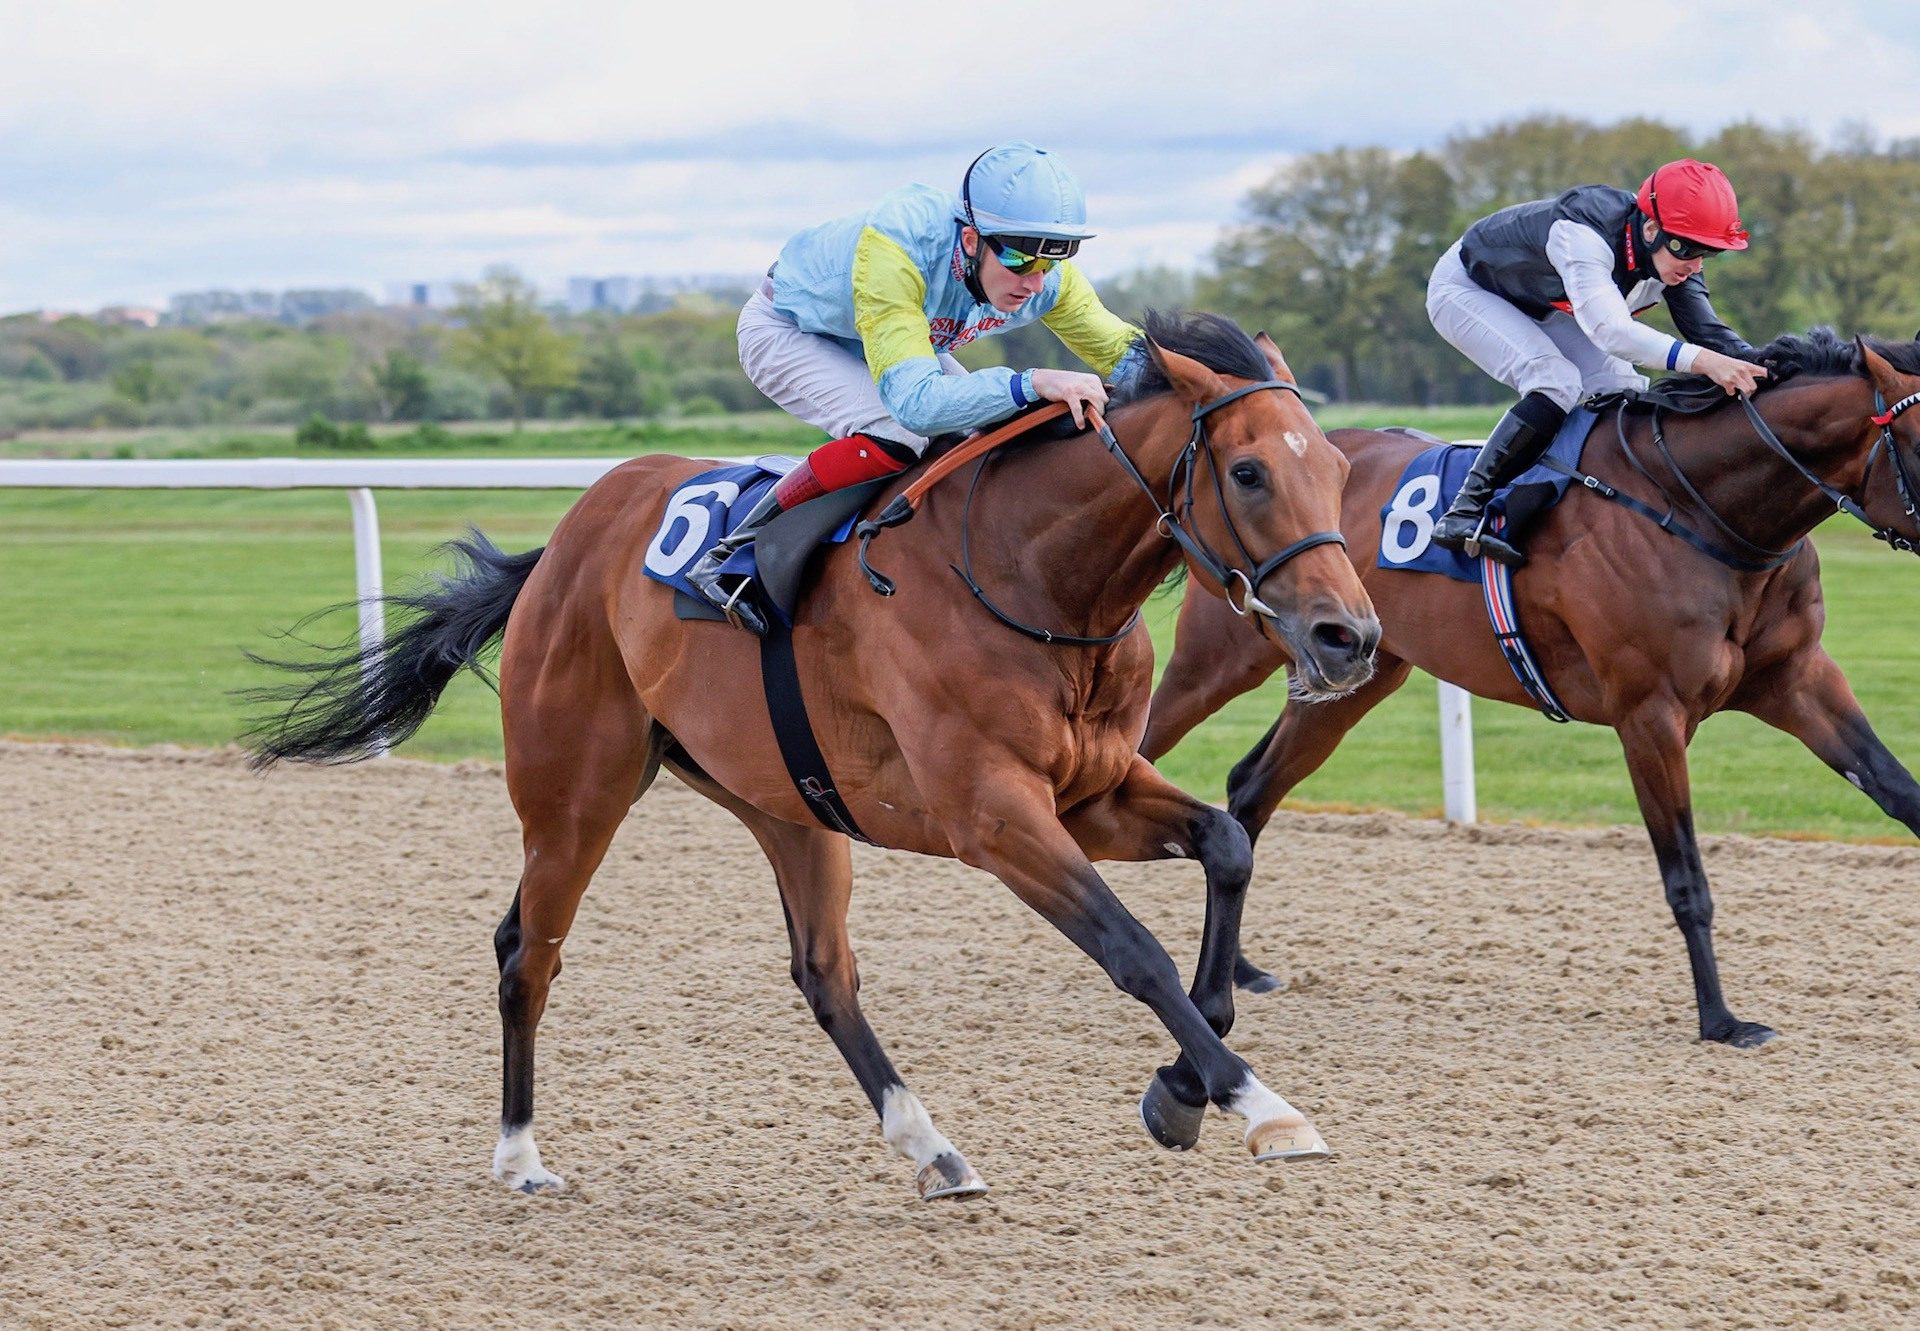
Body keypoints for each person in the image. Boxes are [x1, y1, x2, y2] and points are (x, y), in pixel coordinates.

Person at [687, 141, 1141, 632]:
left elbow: (1125, 352)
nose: (1034, 282)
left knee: (986, 435)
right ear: (971, 240)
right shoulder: (899, 243)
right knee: (900, 433)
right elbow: (916, 406)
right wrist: (1033, 381)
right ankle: (735, 555)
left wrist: (1224, 386)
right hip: (789, 331)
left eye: (1051, 262)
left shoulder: (1046, 280)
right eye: (1019, 260)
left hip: (888, 342)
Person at [1425, 158, 1768, 565]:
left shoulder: (1674, 256)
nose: (1695, 263)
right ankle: (1465, 511)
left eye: (1708, 252)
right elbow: (1611, 332)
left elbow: (1709, 334)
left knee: (1625, 387)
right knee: (1554, 380)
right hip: (1468, 289)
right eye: (1688, 248)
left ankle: (1574, 502)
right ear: (1651, 228)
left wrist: (1772, 369)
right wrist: (1704, 363)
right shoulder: (1583, 234)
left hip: (1543, 304)